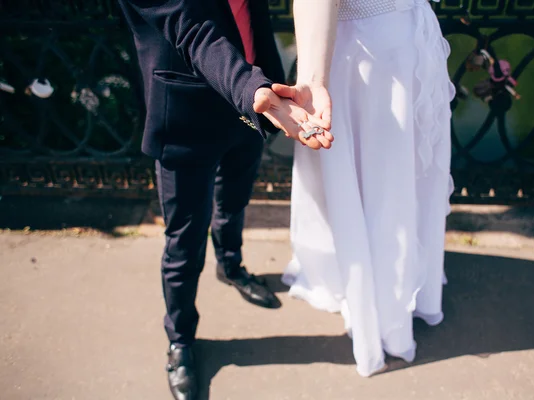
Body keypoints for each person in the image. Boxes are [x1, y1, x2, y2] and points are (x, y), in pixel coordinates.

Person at [117, 0, 333, 398]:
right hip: (190, 110)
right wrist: (254, 90)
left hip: (256, 102)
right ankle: (180, 340)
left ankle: (231, 266)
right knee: (184, 240)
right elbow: (192, 29)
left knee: (234, 200)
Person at [275, 0, 455, 377]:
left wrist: (312, 80)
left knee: (382, 184)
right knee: (396, 182)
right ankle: (393, 301)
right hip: (397, 41)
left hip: (369, 53)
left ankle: (383, 310)